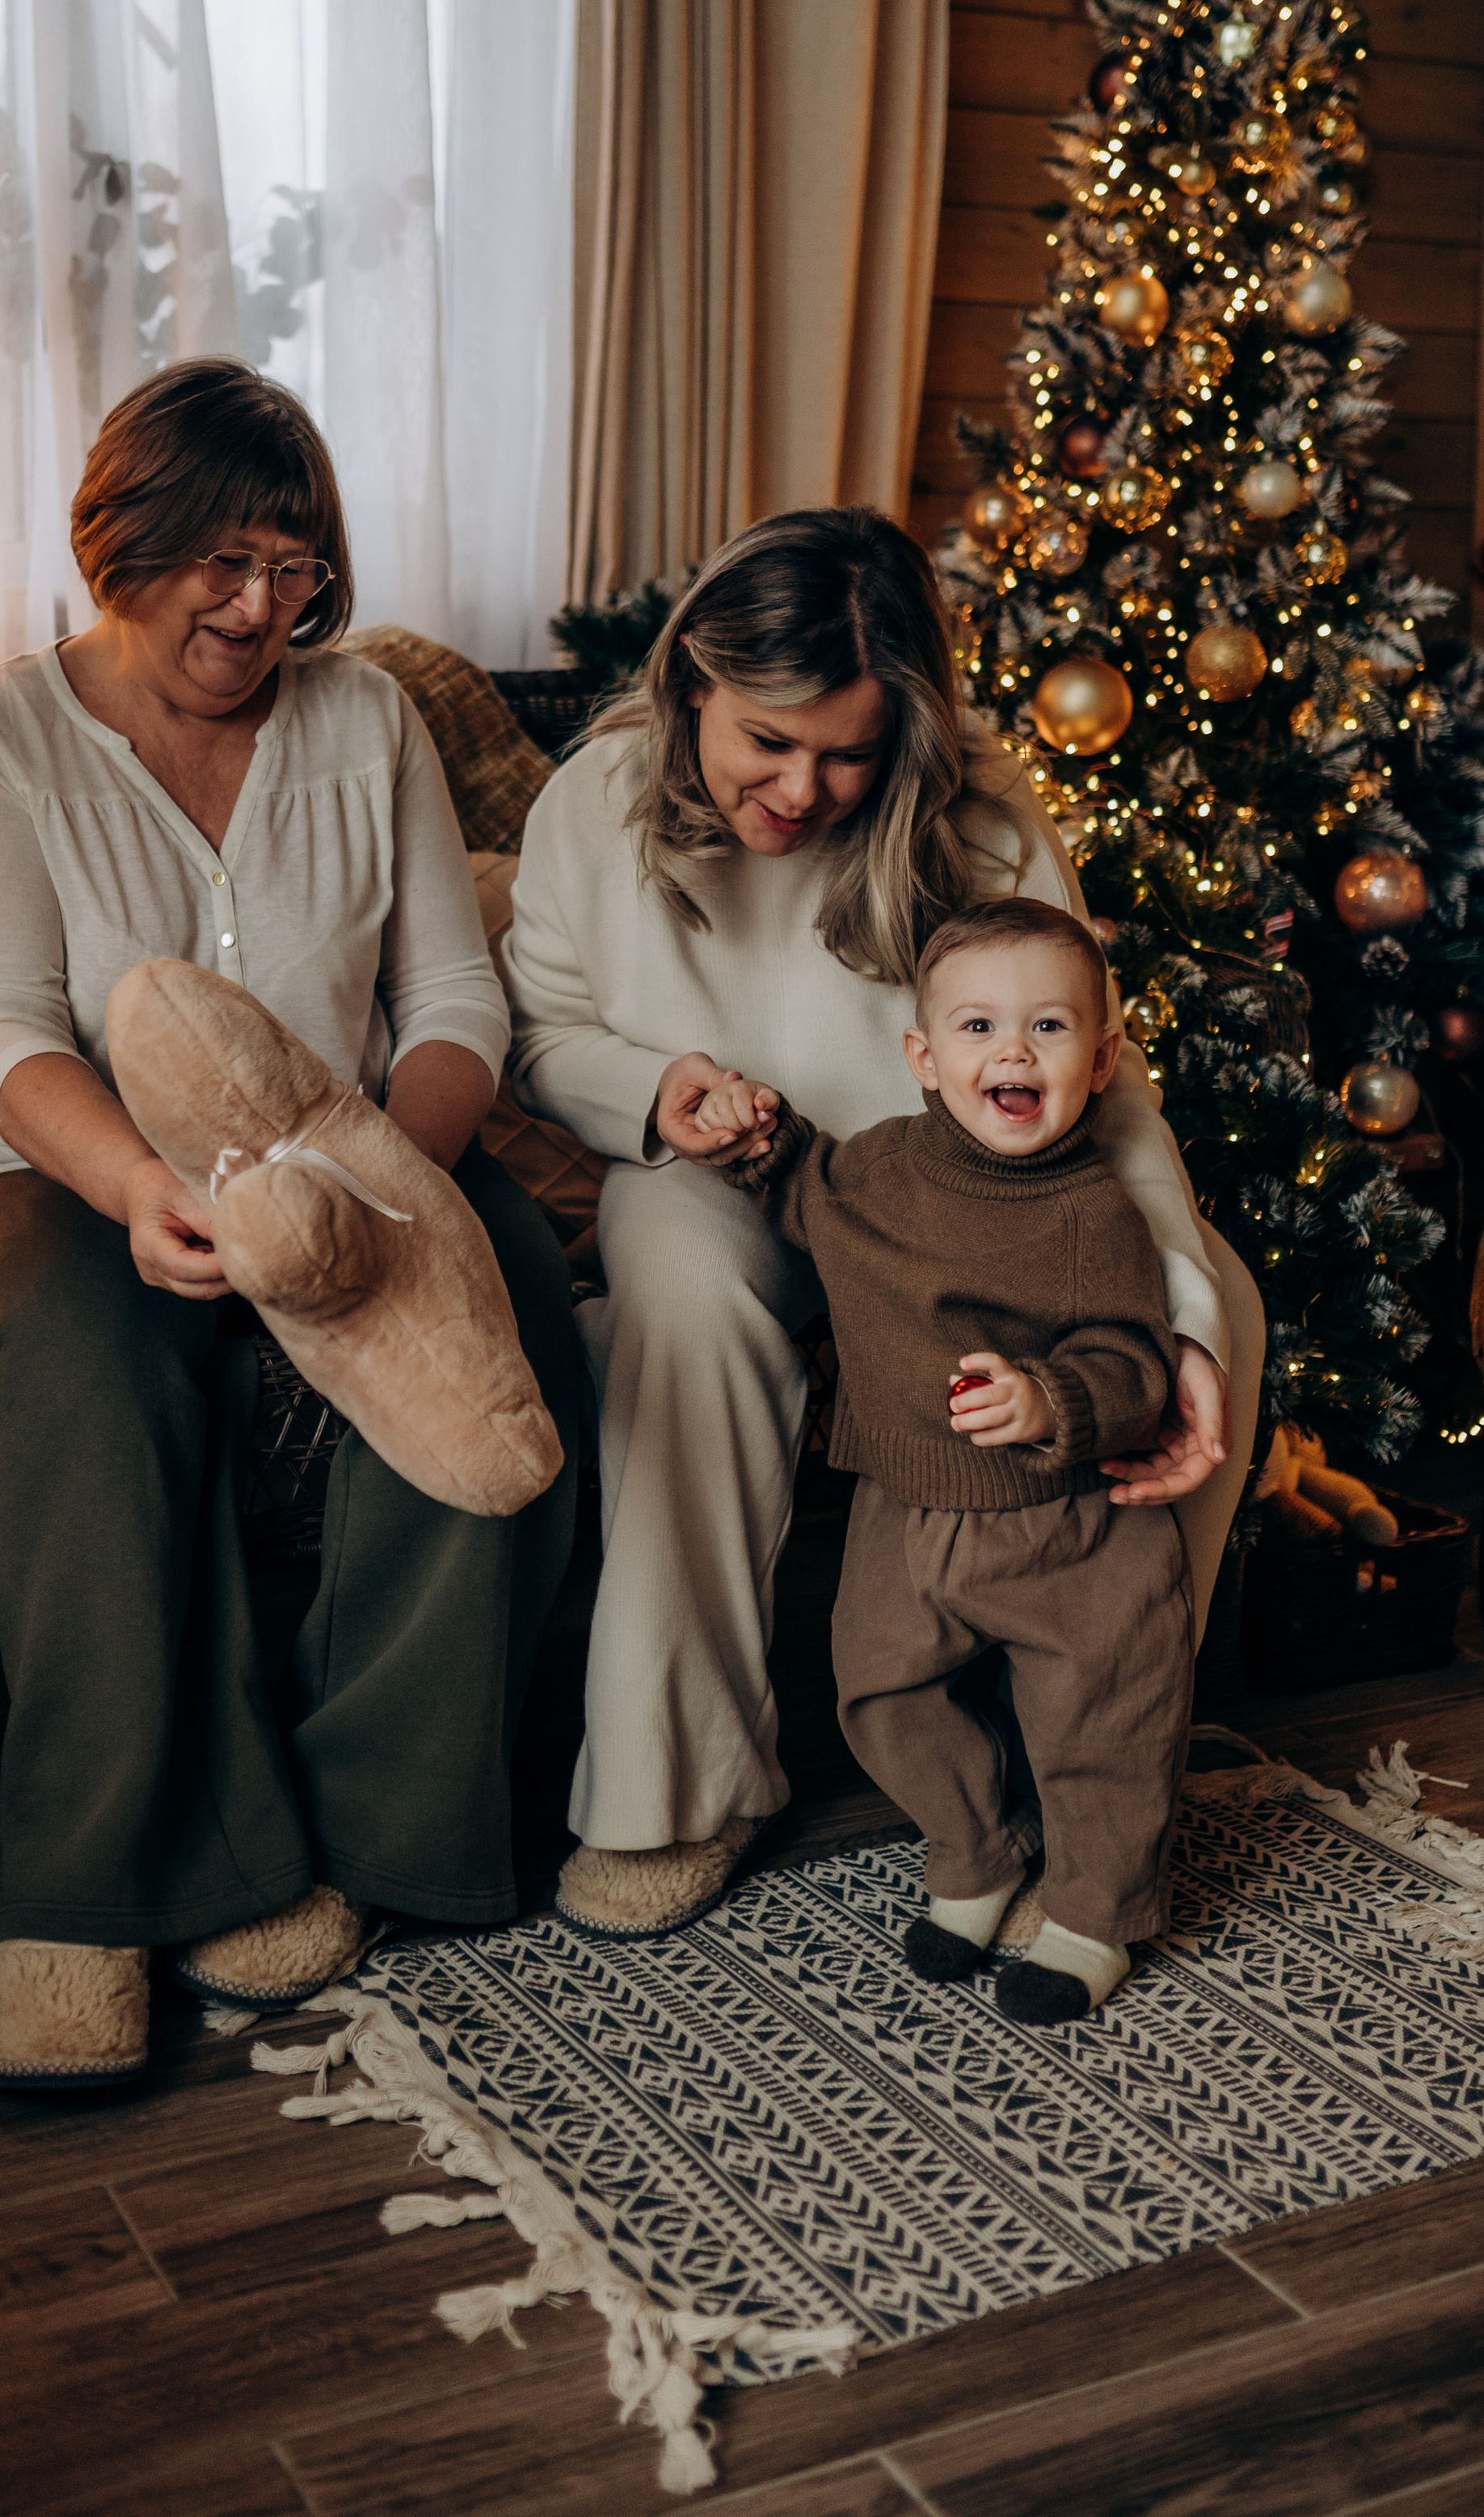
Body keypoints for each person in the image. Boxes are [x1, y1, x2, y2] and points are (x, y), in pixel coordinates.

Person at [0, 356, 578, 2088]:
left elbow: (453, 1001)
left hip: (351, 1156)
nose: (258, 606)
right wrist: (138, 1190)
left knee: (507, 1287)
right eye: (222, 559)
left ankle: (372, 1830)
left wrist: (377, 1184)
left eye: (292, 567)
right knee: (88, 1352)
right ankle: (102, 1888)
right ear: (123, 539)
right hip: (62, 1174)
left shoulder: (368, 718)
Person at [499, 506, 1263, 1942]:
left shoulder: (981, 813)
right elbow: (539, 1036)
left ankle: (1094, 1753)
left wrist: (1188, 1321)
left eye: (848, 752)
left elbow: (1104, 1085)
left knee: (1213, 1296)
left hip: (980, 1202)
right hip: (728, 1182)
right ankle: (680, 1785)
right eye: (767, 741)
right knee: (678, 1284)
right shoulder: (591, 804)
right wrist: (654, 1093)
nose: (802, 789)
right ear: (694, 683)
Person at [685, 895, 1186, 2023]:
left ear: (1101, 1059)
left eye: (1049, 1028)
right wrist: (758, 1134)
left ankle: (1096, 1912)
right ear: (924, 1058)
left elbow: (1134, 1360)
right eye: (978, 1028)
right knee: (881, 1689)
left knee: (1101, 1719)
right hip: (904, 1508)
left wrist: (1050, 1395)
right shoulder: (881, 1170)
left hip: (1067, 1525)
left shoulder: (1091, 1214)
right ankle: (978, 1848)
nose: (1014, 1051)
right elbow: (808, 1192)